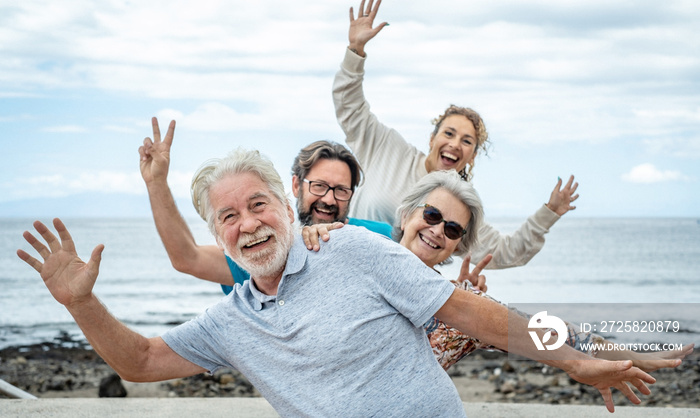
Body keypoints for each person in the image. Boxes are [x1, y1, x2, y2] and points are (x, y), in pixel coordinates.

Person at [19, 148, 657, 415]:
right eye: (228, 217)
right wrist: (82, 303)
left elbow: (469, 312)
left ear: (287, 200)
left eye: (259, 205)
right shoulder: (231, 319)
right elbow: (141, 359)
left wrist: (576, 360)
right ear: (217, 230)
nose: (248, 225)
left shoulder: (352, 247)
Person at [305, 170, 693, 372]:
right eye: (433, 215)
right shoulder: (358, 250)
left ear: (457, 246)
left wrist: (630, 358)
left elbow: (552, 333)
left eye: (453, 229)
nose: (438, 230)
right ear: (407, 215)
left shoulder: (460, 311)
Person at [333, 0, 579, 269]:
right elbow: (350, 107)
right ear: (432, 138)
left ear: (472, 156)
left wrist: (550, 212)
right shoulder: (388, 148)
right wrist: (355, 50)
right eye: (448, 133)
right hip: (346, 265)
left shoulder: (458, 207)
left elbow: (506, 253)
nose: (454, 144)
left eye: (466, 141)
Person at [139, 117, 390, 294]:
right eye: (319, 186)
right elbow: (187, 258)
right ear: (295, 186)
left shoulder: (381, 236)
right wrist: (156, 183)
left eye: (341, 190)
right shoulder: (263, 248)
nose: (328, 199)